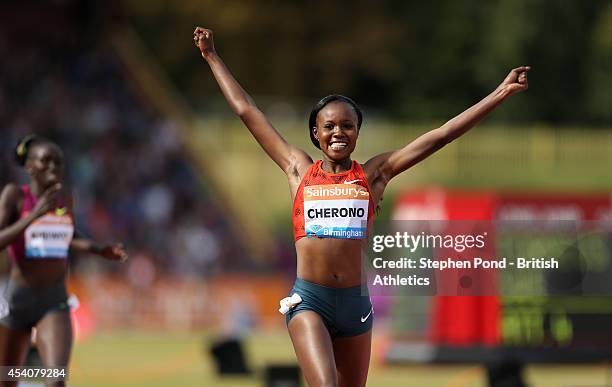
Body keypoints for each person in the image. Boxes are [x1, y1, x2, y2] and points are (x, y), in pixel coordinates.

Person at [194, 26, 529, 387]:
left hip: (355, 305)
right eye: (330, 126)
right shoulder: (297, 169)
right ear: (315, 134)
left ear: (357, 133)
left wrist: (501, 92)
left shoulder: (374, 175)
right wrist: (212, 56)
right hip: (310, 301)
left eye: (347, 126)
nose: (339, 132)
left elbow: (441, 135)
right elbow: (247, 111)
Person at [0, 135, 127, 387]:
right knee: (7, 379)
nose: (53, 168)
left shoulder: (64, 200)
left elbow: (67, 235)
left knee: (56, 380)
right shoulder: (15, 195)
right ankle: (28, 381)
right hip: (18, 302)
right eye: (45, 162)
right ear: (29, 167)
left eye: (58, 163)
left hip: (54, 302)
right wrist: (33, 216)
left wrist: (99, 249)